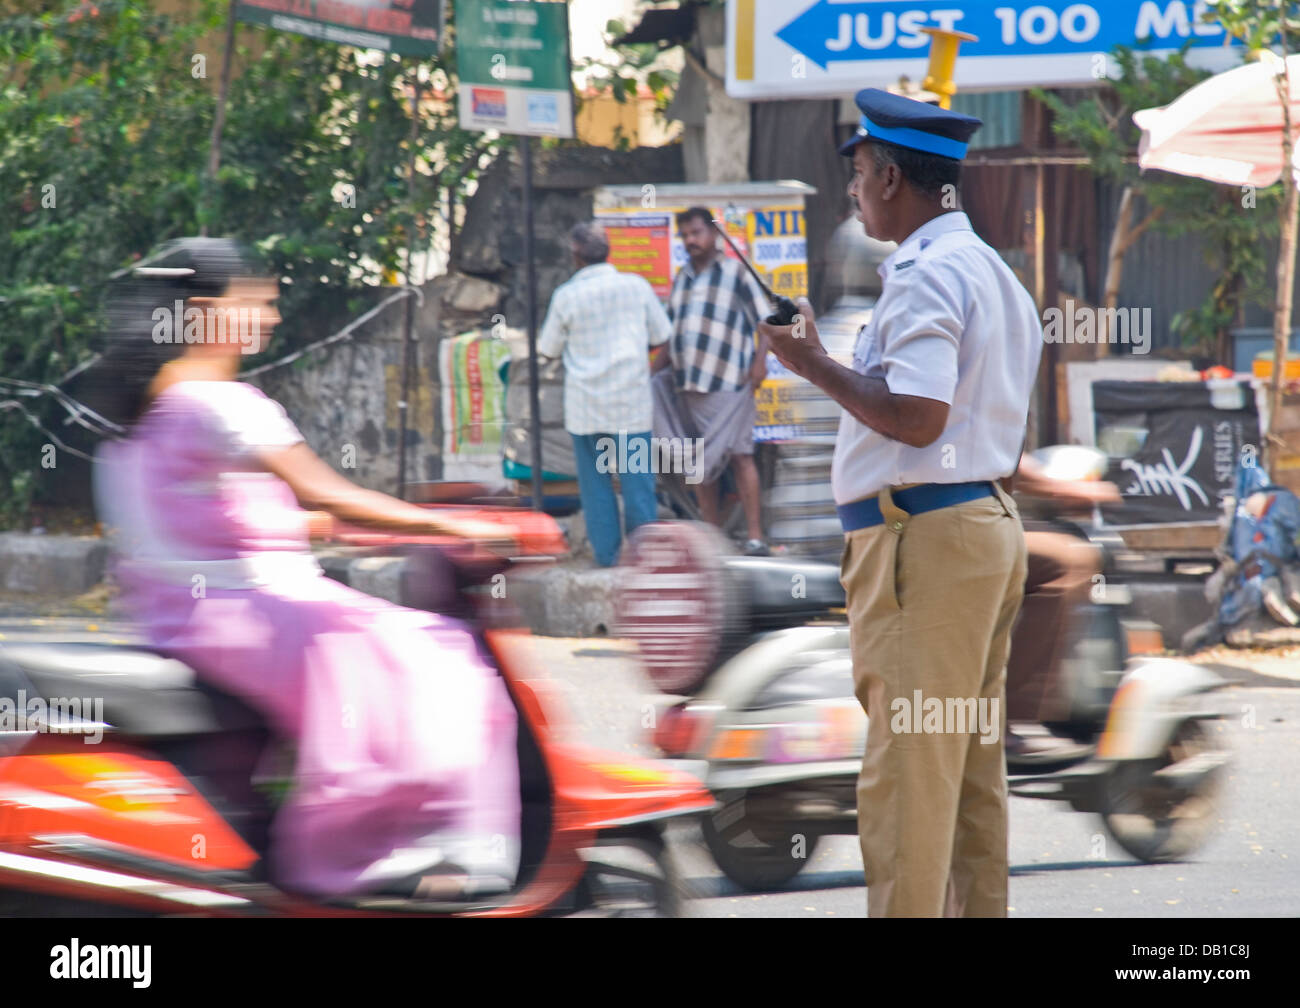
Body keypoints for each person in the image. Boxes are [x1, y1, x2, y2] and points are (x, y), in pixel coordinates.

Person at [90, 237, 521, 902]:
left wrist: (353, 531)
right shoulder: (222, 404)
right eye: (259, 303)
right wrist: (458, 525)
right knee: (437, 654)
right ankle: (392, 852)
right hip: (250, 620)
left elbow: (232, 521)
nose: (273, 318)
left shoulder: (140, 420)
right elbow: (326, 492)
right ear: (206, 312)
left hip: (181, 621)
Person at [760, 89, 1043, 917]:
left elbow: (918, 420)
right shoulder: (990, 271)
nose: (852, 191)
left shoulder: (925, 276)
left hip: (925, 542)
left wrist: (810, 364)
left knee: (907, 788)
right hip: (977, 530)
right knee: (964, 781)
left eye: (856, 175)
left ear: (888, 175)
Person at [537, 221, 672, 567]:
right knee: (637, 482)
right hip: (630, 401)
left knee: (596, 486)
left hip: (586, 407)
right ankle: (644, 560)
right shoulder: (636, 287)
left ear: (575, 256)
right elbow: (661, 335)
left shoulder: (566, 295)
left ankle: (609, 559)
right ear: (608, 251)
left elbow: (548, 349)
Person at [654, 207, 771, 555]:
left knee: (741, 458)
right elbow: (668, 335)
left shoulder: (737, 273)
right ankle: (712, 541)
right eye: (685, 235)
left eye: (696, 233)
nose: (691, 240)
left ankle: (755, 537)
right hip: (688, 387)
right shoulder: (683, 277)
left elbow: (767, 322)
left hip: (729, 387)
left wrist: (760, 362)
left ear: (714, 235)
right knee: (699, 464)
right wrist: (647, 376)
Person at [1006, 454, 1120, 763]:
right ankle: (1007, 713)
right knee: (1070, 560)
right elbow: (999, 454)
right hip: (943, 522)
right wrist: (1064, 489)